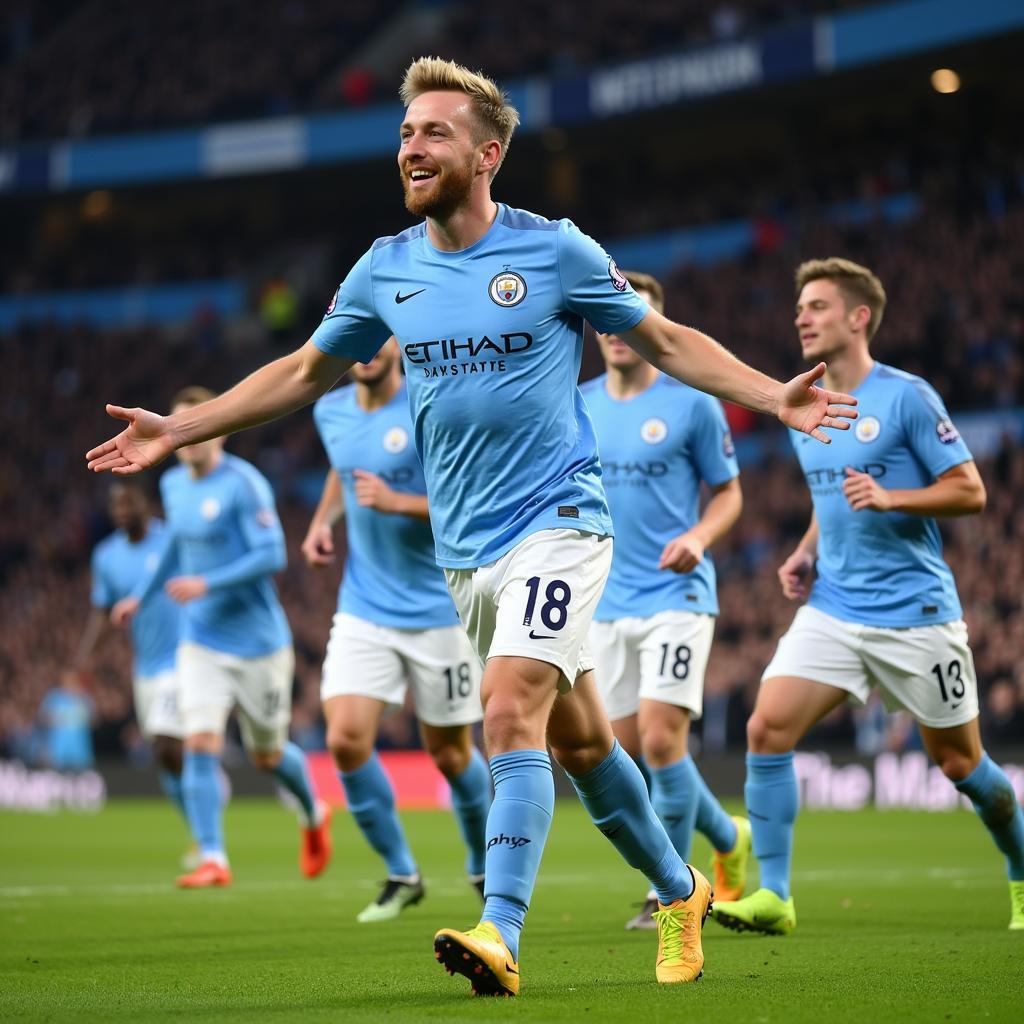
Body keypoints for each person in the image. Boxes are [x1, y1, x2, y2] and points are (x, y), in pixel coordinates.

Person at [86, 58, 857, 992]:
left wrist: (775, 395)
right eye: (406, 134)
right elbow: (300, 373)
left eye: (434, 133)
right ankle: (681, 887)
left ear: (487, 155)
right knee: (578, 742)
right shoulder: (384, 268)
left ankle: (501, 931)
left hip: (562, 520)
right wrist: (183, 428)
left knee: (505, 710)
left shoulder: (555, 250)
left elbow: (665, 340)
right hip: (466, 551)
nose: (412, 147)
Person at [712, 258, 1024, 935]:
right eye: (800, 307)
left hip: (916, 617)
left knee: (961, 763)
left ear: (858, 317)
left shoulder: (907, 396)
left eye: (817, 306)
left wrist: (894, 497)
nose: (801, 316)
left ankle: (1022, 873)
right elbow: (834, 499)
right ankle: (777, 895)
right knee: (765, 727)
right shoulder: (808, 408)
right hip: (835, 609)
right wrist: (805, 548)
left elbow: (971, 491)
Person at [583, 269, 750, 931]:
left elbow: (730, 491)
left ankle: (672, 896)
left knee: (659, 741)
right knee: (636, 760)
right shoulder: (577, 404)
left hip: (676, 595)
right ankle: (730, 840)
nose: (622, 332)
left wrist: (700, 536)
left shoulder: (693, 405)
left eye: (636, 319)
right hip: (604, 603)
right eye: (613, 319)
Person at [112, 386, 331, 889]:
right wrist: (142, 595)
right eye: (180, 427)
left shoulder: (244, 485)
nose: (187, 438)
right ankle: (213, 856)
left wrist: (207, 582)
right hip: (201, 641)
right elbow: (175, 549)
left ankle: (314, 812)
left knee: (267, 755)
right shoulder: (172, 486)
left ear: (220, 432)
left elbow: (272, 555)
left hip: (258, 643)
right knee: (200, 742)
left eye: (197, 426)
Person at [303, 338, 490, 922]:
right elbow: (344, 471)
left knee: (452, 755)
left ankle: (485, 865)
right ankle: (401, 872)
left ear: (400, 343)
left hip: (440, 610)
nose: (366, 350)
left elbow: (472, 499)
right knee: (344, 739)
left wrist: (398, 502)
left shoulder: (429, 404)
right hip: (364, 607)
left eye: (380, 337)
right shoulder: (327, 410)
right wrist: (321, 521)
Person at [76, 480, 189, 839]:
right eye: (117, 506)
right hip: (146, 667)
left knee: (167, 743)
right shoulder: (106, 556)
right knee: (162, 753)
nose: (123, 512)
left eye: (129, 503)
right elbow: (103, 611)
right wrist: (86, 657)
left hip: (184, 657)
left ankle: (206, 836)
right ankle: (197, 828)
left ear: (146, 502)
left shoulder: (172, 541)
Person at [39, 670, 94, 772]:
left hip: (79, 752)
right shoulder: (53, 697)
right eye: (66, 679)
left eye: (72, 680)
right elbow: (43, 721)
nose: (69, 682)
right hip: (57, 751)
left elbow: (93, 721)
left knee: (80, 782)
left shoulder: (84, 698)